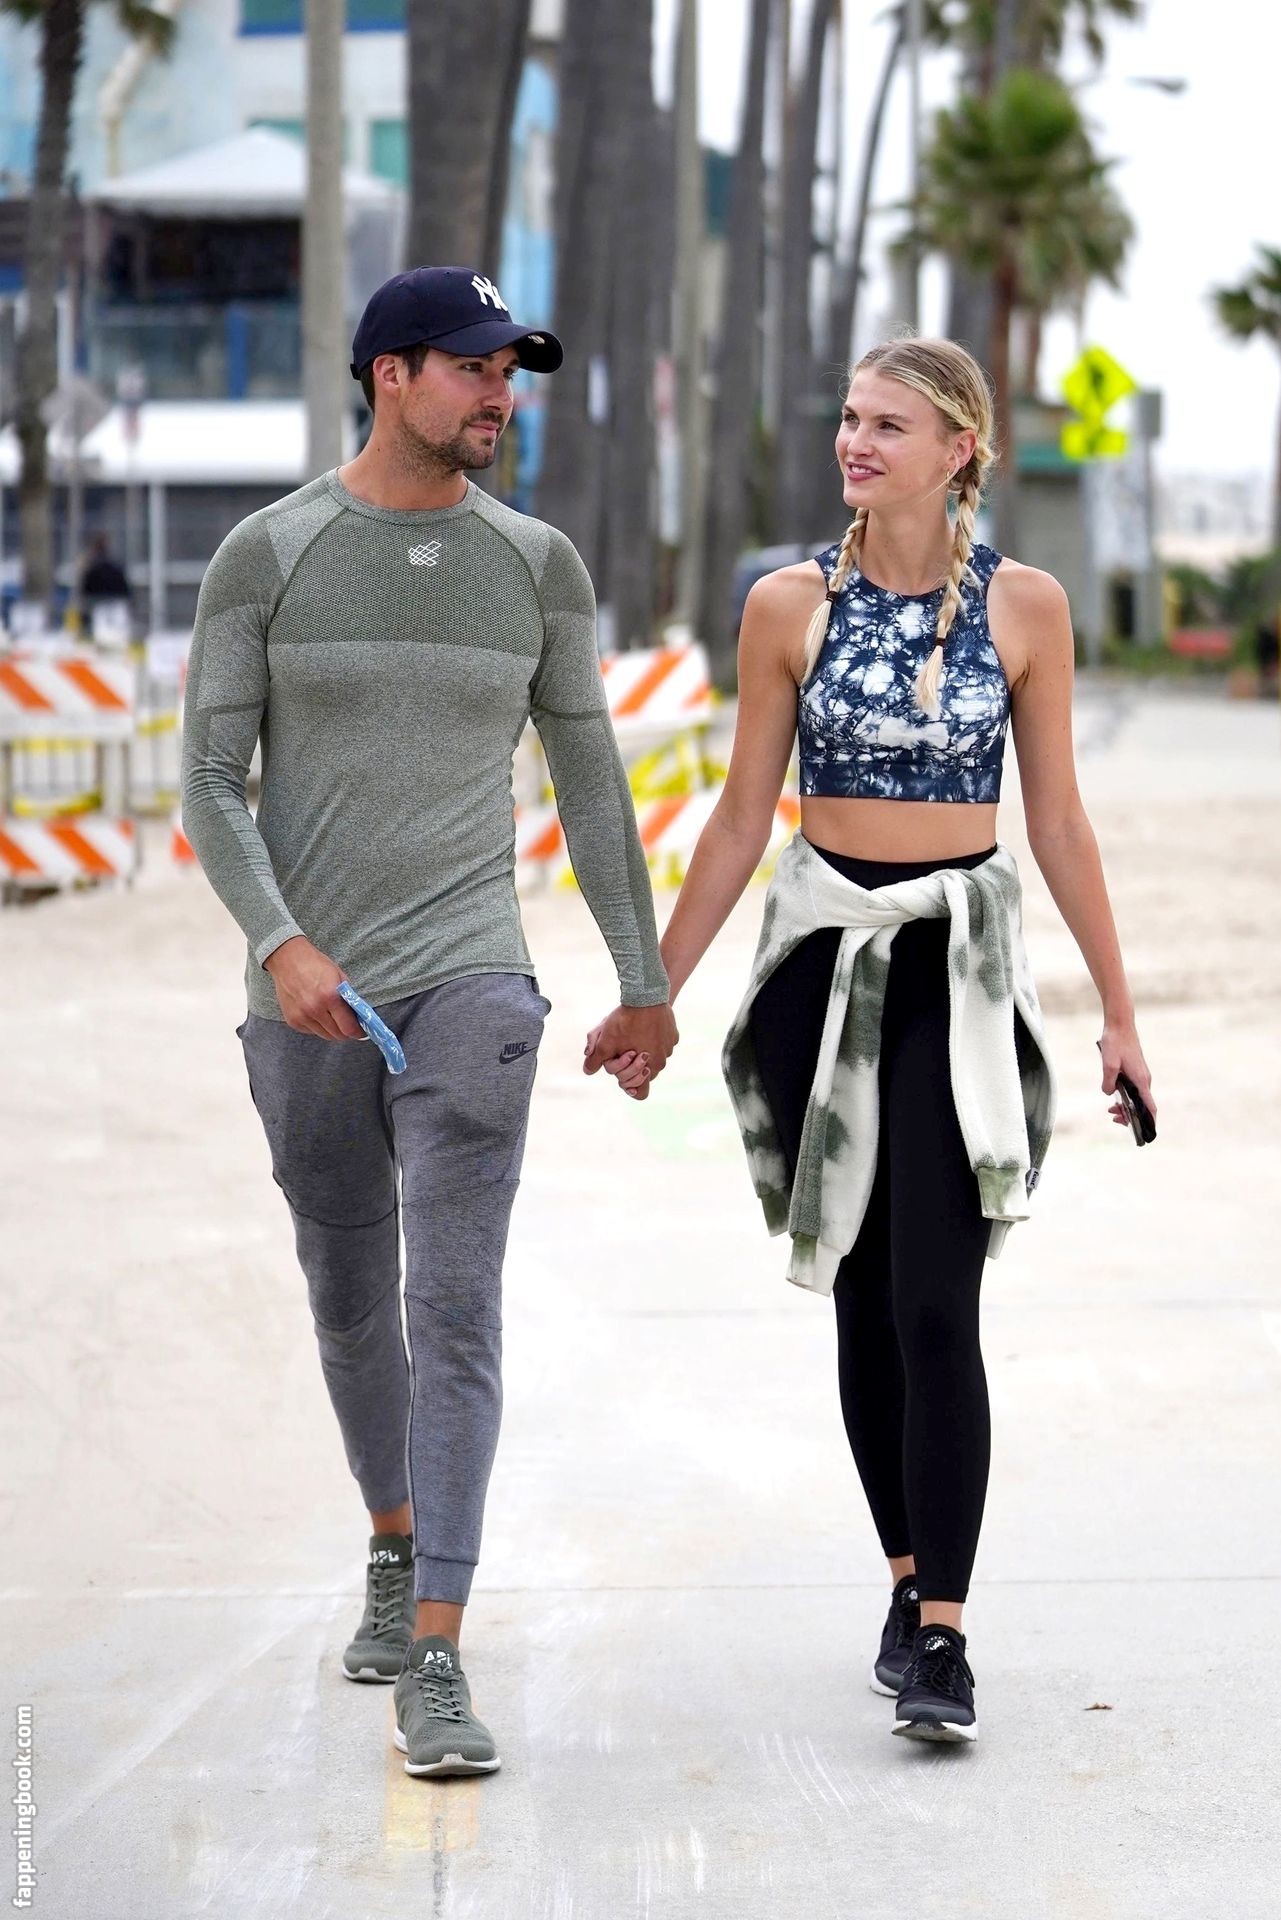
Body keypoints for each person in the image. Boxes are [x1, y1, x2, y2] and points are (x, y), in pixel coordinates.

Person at [587, 335, 1155, 1746]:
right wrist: (656, 992)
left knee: (936, 1301)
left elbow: (1058, 821)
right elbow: (738, 820)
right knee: (860, 1298)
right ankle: (905, 1586)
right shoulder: (787, 606)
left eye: (888, 424)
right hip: (818, 973)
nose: (855, 442)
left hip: (955, 977)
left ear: (959, 448)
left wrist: (1119, 1012)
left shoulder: (1026, 608)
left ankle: (945, 1635)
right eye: (849, 418)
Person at [180, 266, 677, 1779]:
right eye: (473, 368)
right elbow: (207, 783)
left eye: (510, 371)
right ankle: (393, 1544)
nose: (499, 394)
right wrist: (281, 946)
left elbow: (591, 786)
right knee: (349, 1295)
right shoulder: (269, 555)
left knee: (454, 1304)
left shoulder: (536, 566)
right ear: (389, 375)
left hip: (475, 979)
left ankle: (441, 1654)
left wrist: (641, 976)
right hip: (309, 997)